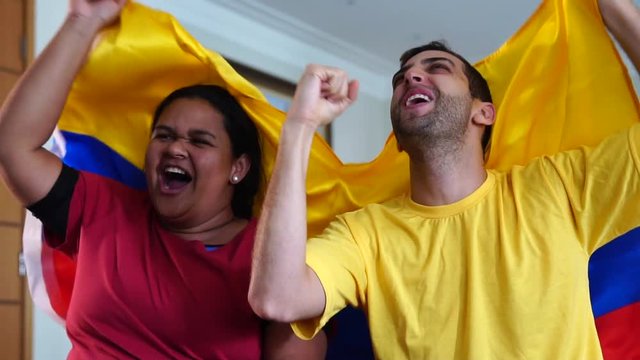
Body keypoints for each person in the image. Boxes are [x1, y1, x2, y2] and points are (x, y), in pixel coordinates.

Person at [248, 0, 640, 358]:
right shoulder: (365, 234)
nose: (412, 77)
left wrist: (616, 9)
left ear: (483, 113)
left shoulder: (557, 186)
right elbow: (277, 299)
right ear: (397, 140)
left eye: (437, 68)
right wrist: (300, 126)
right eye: (401, 79)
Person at [0, 0, 326, 358]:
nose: (175, 148)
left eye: (199, 141)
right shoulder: (102, 207)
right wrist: (83, 21)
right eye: (164, 135)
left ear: (239, 168)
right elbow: (14, 146)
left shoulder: (274, 260)